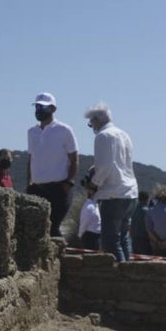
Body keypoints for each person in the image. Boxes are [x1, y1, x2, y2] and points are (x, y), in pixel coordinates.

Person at [84, 103, 138, 261]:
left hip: (112, 194)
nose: (91, 126)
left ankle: (118, 273)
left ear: (97, 120)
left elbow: (105, 167)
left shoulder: (103, 136)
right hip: (130, 192)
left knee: (110, 241)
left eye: (91, 123)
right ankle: (128, 270)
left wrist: (93, 184)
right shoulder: (124, 134)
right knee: (123, 238)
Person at [26, 93, 79, 238]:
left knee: (53, 227)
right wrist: (29, 183)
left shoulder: (64, 130)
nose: (39, 110)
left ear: (53, 109)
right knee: (36, 229)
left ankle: (60, 252)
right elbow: (31, 159)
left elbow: (74, 158)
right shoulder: (32, 132)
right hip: (37, 189)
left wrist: (69, 182)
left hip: (58, 189)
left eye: (43, 107)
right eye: (37, 106)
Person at [130, 191, 153, 256]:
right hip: (144, 239)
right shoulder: (147, 211)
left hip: (135, 238)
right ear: (147, 199)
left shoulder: (134, 209)